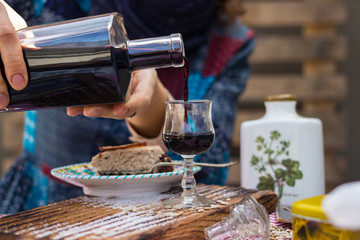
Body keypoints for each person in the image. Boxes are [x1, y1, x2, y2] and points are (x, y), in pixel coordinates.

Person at [0, 0, 255, 213]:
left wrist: (154, 104)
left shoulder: (229, 40)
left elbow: (208, 168)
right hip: (43, 208)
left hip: (156, 220)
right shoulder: (52, 5)